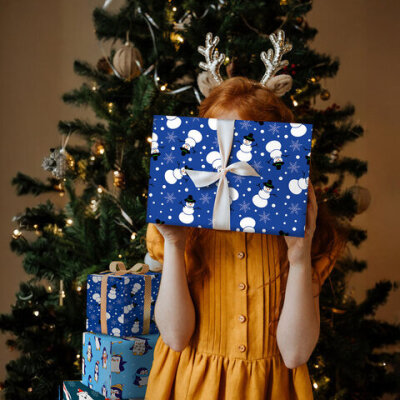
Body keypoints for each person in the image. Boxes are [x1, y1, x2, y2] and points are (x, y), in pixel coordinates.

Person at [144, 76, 348, 399]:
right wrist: (174, 242)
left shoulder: (303, 239)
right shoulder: (180, 231)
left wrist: (299, 257)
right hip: (192, 386)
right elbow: (175, 336)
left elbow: (295, 354)